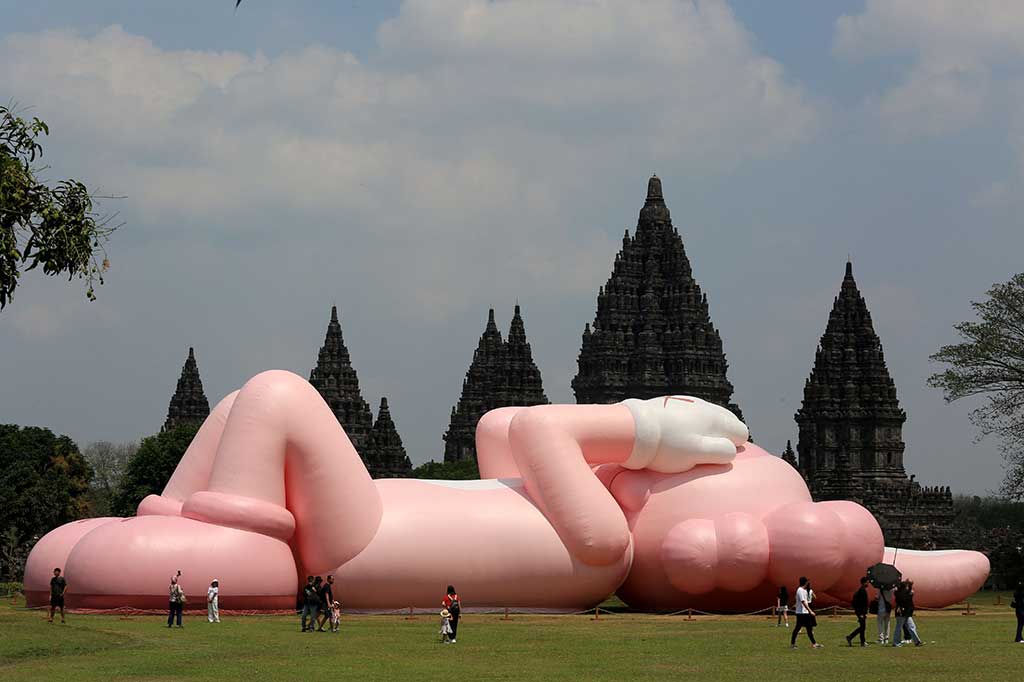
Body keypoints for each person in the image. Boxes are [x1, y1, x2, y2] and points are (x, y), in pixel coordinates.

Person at [790, 576, 823, 649]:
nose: (808, 583)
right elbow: (803, 602)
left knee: (809, 628)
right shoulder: (800, 590)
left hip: (805, 613)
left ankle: (814, 644)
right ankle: (792, 644)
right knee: (797, 628)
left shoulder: (804, 591)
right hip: (801, 613)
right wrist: (810, 611)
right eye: (807, 581)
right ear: (805, 582)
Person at [892, 579, 923, 647]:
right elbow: (906, 600)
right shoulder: (903, 593)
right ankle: (896, 642)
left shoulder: (898, 593)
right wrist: (910, 594)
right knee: (899, 627)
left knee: (911, 626)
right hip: (902, 612)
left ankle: (917, 641)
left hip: (905, 613)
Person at [846, 576, 869, 647]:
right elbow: (861, 603)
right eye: (867, 582)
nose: (868, 583)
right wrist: (862, 613)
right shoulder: (862, 591)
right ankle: (850, 637)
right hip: (860, 612)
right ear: (865, 582)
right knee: (863, 627)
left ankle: (862, 641)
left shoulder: (861, 590)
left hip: (860, 611)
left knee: (863, 627)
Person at [1012, 579, 1024, 643]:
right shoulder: (1022, 594)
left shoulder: (1016, 593)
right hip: (1022, 610)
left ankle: (1019, 638)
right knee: (1020, 625)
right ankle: (1018, 638)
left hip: (1018, 610)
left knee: (1020, 625)